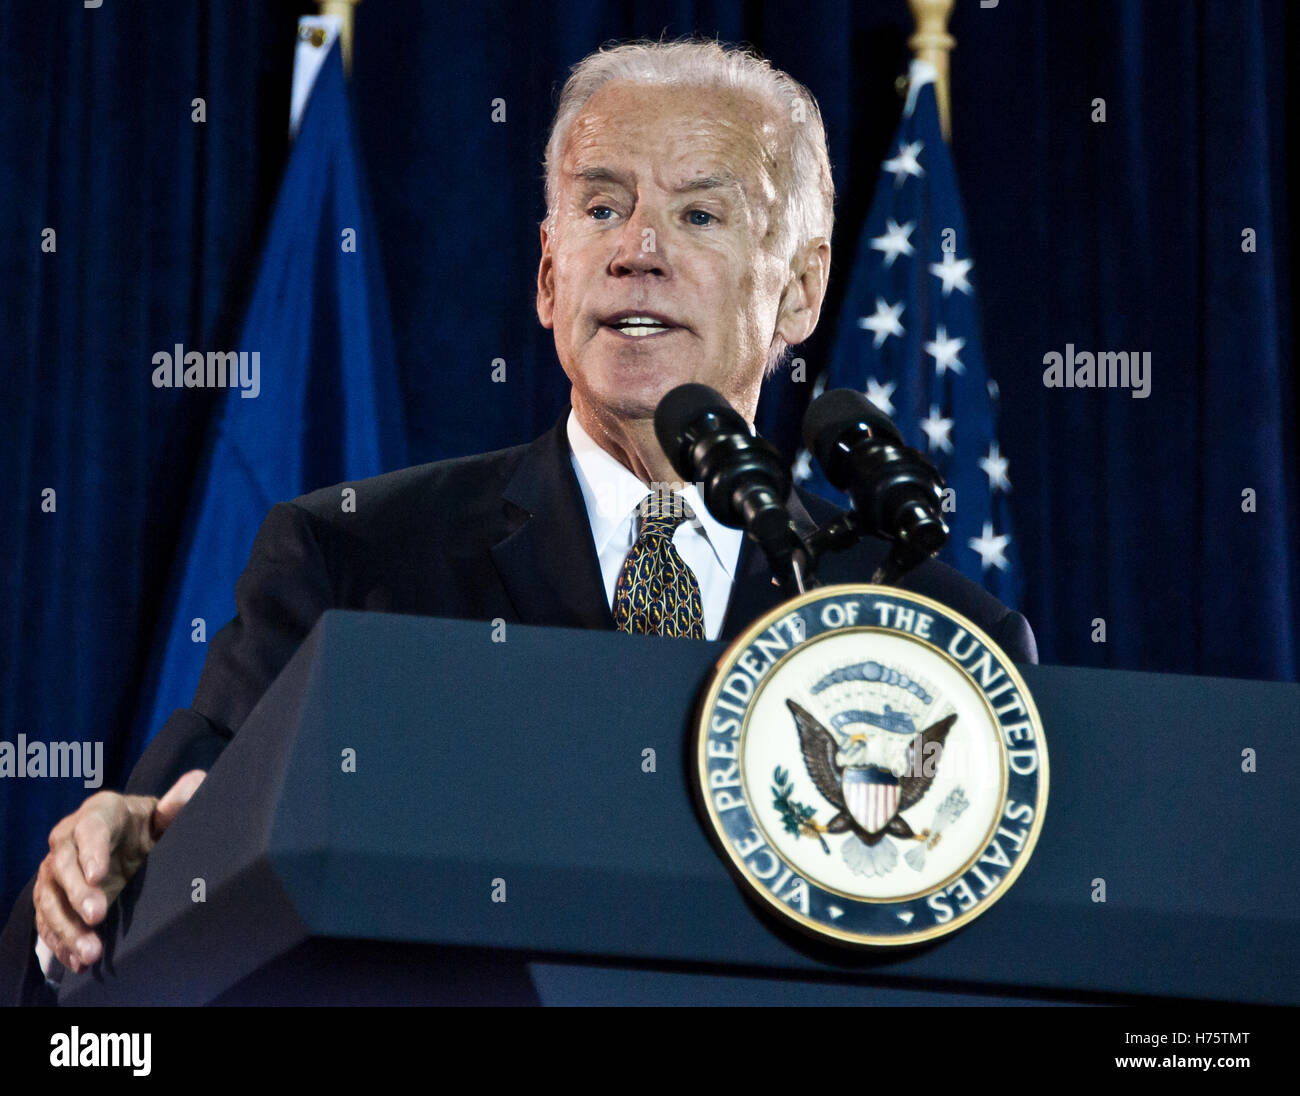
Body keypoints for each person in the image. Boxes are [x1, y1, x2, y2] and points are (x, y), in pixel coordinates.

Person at [0, 38, 1036, 1006]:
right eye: (600, 209)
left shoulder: (928, 629)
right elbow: (123, 920)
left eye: (699, 217)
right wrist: (92, 893)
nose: (637, 250)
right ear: (549, 275)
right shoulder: (352, 560)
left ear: (800, 289)